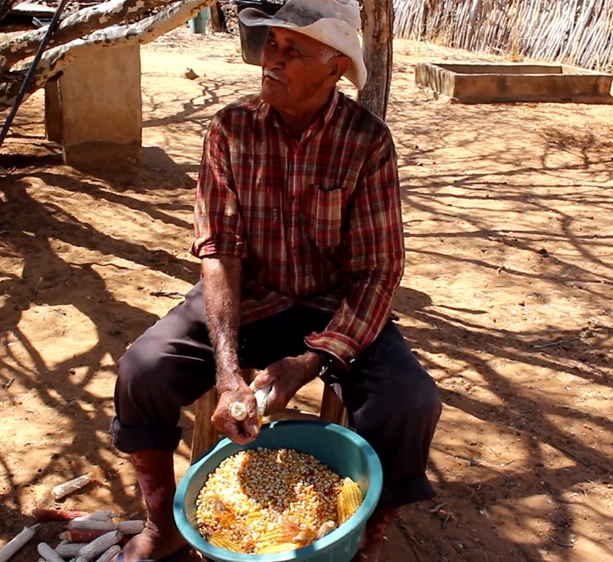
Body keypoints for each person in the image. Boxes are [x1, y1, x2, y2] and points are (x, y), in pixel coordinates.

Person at [110, 0, 442, 560]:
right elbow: (219, 254)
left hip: (331, 310)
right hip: (249, 299)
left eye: (294, 49)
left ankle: (364, 540)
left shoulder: (366, 141)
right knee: (142, 370)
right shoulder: (231, 129)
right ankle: (164, 521)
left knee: (410, 402)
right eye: (270, 44)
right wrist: (227, 367)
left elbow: (378, 272)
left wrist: (314, 358)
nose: (273, 60)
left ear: (336, 66)